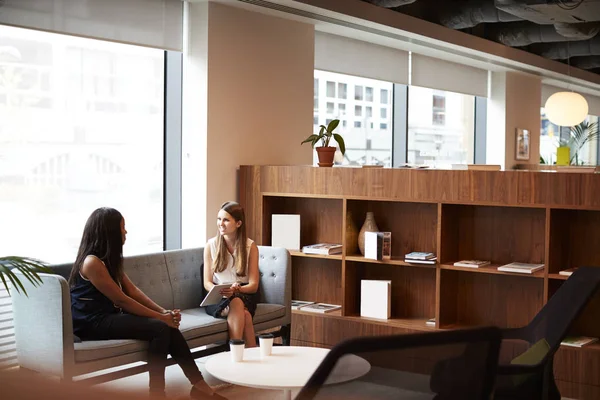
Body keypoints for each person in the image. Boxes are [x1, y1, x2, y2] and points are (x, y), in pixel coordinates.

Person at [68, 207, 224, 399]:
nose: (125, 232)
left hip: (106, 317)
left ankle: (198, 385)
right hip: (90, 323)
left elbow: (133, 291)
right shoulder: (91, 263)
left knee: (165, 327)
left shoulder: (108, 260)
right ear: (109, 232)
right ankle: (158, 393)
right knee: (160, 327)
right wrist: (161, 318)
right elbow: (121, 299)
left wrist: (164, 312)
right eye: (122, 227)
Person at [204, 201, 259, 348]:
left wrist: (237, 289)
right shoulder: (211, 245)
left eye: (226, 220)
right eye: (219, 219)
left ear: (239, 223)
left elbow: (253, 286)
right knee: (244, 314)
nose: (220, 223)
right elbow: (207, 283)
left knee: (237, 302)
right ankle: (246, 355)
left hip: (243, 293)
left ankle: (235, 351)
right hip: (217, 295)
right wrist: (221, 291)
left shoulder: (250, 247)